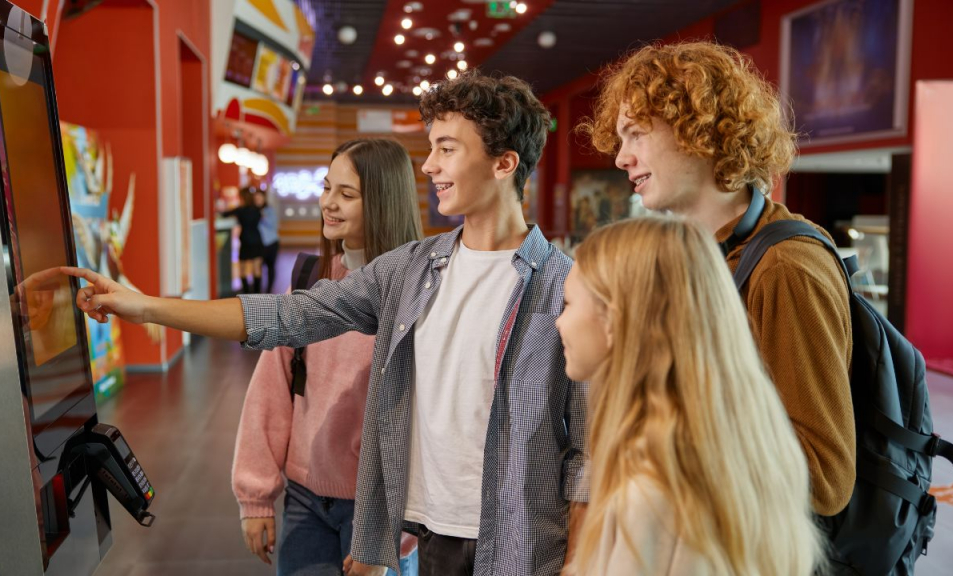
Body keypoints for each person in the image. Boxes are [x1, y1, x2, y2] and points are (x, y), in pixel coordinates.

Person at [63, 70, 587, 576]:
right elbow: (288, 315)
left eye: (446, 149)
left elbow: (589, 450)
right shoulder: (410, 271)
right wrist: (146, 306)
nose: (429, 166)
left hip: (520, 543)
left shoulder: (567, 286)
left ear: (504, 163)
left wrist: (581, 562)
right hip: (428, 535)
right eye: (431, 148)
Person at [584, 41, 856, 518]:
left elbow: (824, 478)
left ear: (699, 130)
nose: (621, 158)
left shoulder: (785, 267)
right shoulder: (704, 254)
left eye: (636, 134)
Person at [556, 217, 823, 575]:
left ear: (614, 319)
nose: (559, 321)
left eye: (569, 303)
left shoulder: (650, 489)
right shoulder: (744, 448)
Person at [232, 139, 422, 575]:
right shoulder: (310, 278)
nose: (328, 204)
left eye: (346, 194)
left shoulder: (417, 291)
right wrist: (256, 496)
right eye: (326, 187)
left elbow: (429, 422)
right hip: (305, 498)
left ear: (383, 201)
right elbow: (271, 390)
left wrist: (395, 531)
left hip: (377, 507)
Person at [222, 187, 264, 294]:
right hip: (257, 239)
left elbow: (224, 214)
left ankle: (246, 294)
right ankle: (257, 295)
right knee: (257, 268)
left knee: (243, 269)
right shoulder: (257, 210)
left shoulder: (240, 210)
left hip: (245, 240)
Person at [253, 189, 280, 293]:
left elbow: (274, 225)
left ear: (264, 198)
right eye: (256, 198)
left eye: (259, 198)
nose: (258, 200)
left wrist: (262, 215)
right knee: (257, 267)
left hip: (271, 243)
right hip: (258, 245)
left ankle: (269, 290)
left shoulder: (269, 210)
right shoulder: (252, 211)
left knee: (271, 267)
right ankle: (257, 291)